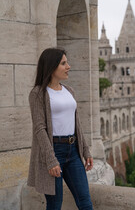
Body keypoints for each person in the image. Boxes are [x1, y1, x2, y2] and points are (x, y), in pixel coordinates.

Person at [27, 47, 93, 210]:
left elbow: (76, 123)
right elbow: (39, 128)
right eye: (64, 63)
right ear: (51, 66)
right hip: (54, 151)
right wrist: (51, 159)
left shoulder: (69, 91)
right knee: (55, 204)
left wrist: (85, 151)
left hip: (73, 151)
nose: (68, 66)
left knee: (85, 201)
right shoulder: (38, 93)